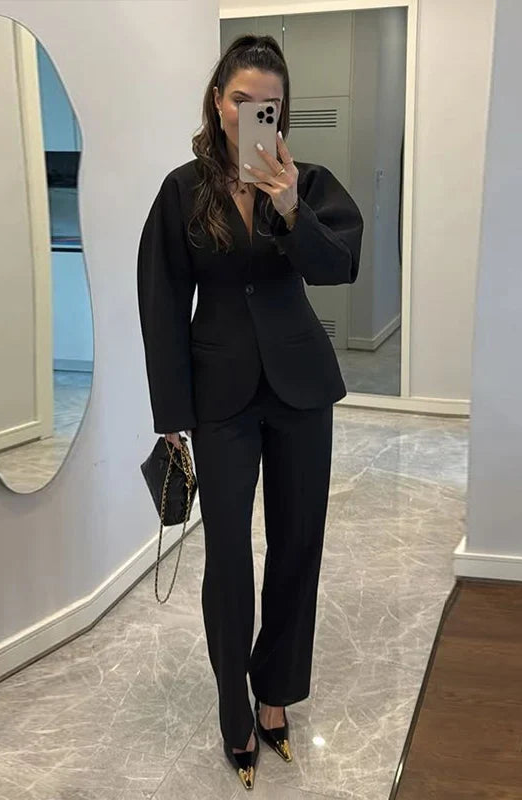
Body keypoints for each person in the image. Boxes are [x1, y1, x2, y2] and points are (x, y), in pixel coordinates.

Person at [137, 34, 363, 790]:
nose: (250, 113)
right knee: (228, 556)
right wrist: (171, 412)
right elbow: (163, 302)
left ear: (280, 108)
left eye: (266, 103)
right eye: (239, 99)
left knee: (299, 544)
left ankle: (274, 695)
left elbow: (339, 266)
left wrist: (290, 203)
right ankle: (233, 709)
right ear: (217, 100)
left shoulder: (309, 182)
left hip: (301, 387)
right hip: (220, 395)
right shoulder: (181, 191)